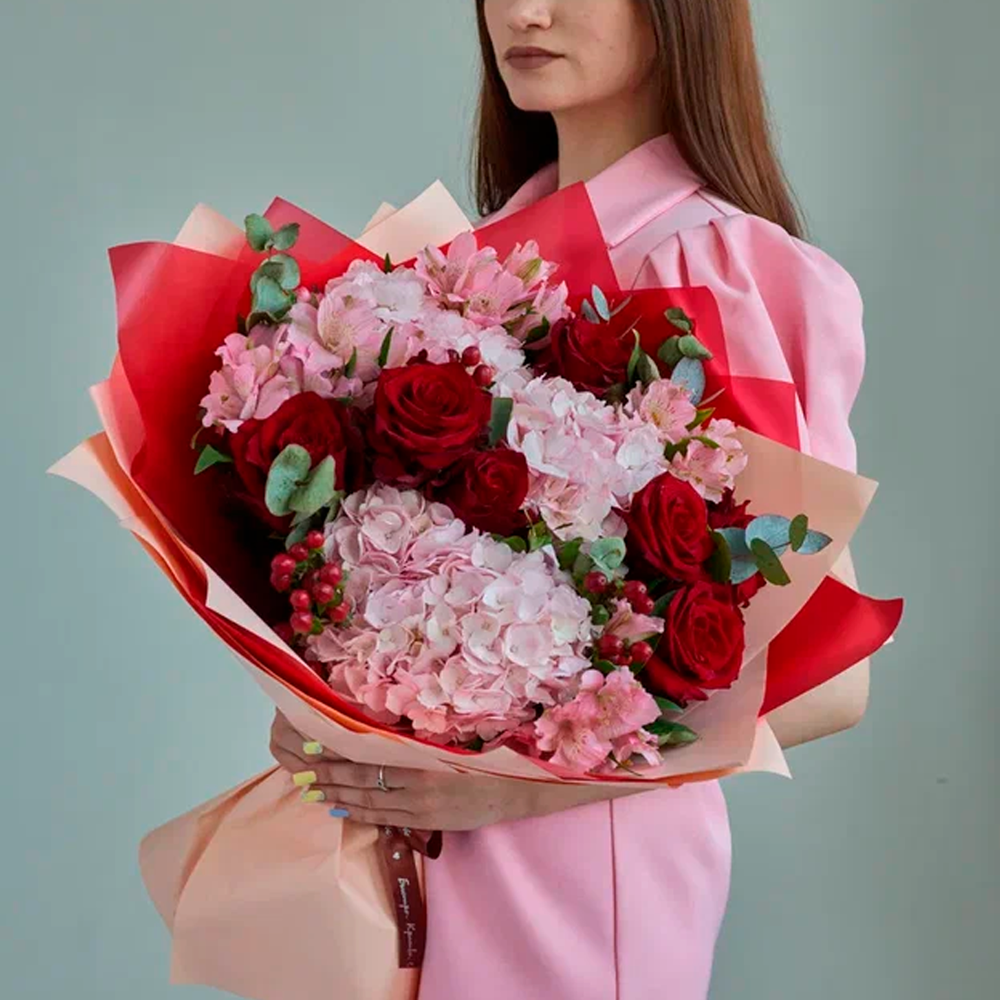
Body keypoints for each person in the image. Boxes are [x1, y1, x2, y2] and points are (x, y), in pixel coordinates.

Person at [269, 2, 872, 996]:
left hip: (586, 880)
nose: (524, 11)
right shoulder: (470, 265)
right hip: (414, 863)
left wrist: (516, 787)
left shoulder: (713, 267)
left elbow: (832, 682)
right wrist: (333, 708)